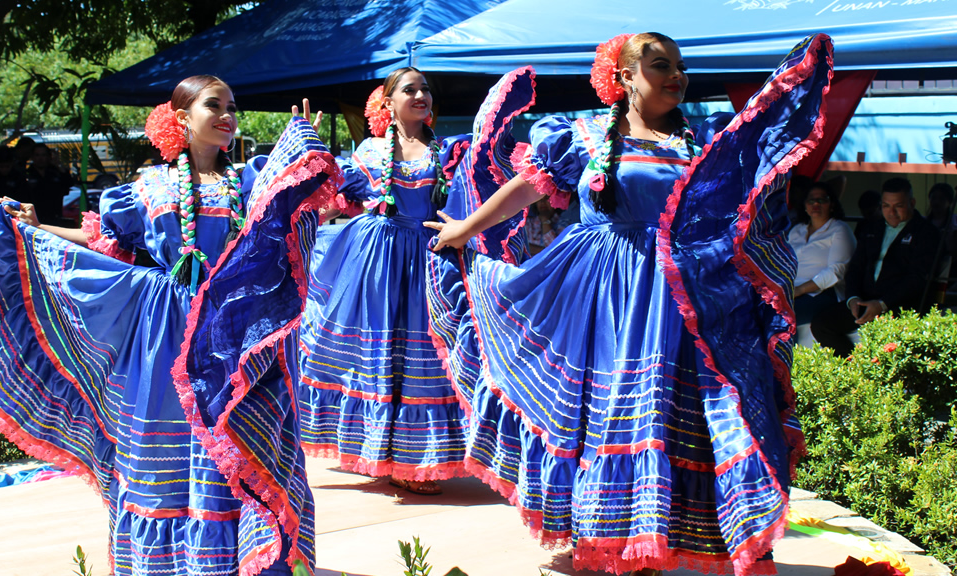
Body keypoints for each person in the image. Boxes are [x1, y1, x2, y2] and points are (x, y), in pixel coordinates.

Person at [425, 32, 833, 575]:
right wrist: (466, 229)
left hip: (675, 296)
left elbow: (749, 190)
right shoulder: (585, 136)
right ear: (624, 78)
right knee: (596, 415)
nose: (675, 75)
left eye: (680, 67)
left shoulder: (701, 140)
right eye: (660, 65)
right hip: (595, 294)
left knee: (662, 418)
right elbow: (526, 188)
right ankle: (595, 536)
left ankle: (651, 541)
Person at [0, 75, 338, 575]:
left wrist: (299, 145)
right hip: (166, 335)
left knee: (233, 440)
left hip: (230, 332)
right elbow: (102, 239)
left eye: (232, 106)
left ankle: (240, 558)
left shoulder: (249, 181)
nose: (227, 115)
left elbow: (290, 208)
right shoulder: (148, 186)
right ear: (181, 117)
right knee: (171, 443)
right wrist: (35, 226)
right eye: (213, 105)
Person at [297, 67, 472, 495]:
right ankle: (379, 453)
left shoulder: (448, 151)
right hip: (377, 263)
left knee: (424, 354)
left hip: (429, 258)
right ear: (388, 104)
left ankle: (413, 457)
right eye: (409, 89)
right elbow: (331, 196)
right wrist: (306, 147)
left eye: (426, 89)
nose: (420, 95)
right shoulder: (369, 152)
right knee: (378, 356)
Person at [811, 178, 941, 357]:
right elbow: (855, 267)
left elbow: (917, 278)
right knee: (821, 324)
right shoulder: (872, 227)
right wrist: (853, 298)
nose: (891, 212)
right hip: (864, 301)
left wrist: (882, 304)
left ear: (912, 203)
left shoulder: (927, 232)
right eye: (886, 205)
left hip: (900, 305)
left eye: (898, 206)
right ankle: (854, 370)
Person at [788, 181, 855, 345]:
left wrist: (800, 290)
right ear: (804, 205)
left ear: (831, 204)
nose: (816, 204)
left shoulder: (839, 229)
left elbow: (836, 271)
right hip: (790, 293)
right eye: (811, 200)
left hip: (823, 293)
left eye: (822, 200)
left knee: (784, 316)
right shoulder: (797, 230)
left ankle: (787, 365)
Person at [23, 142, 75, 224]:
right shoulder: (26, 174)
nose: (40, 158)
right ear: (32, 157)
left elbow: (70, 183)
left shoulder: (56, 172)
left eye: (43, 155)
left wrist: (59, 165)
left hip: (54, 218)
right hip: (33, 219)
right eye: (37, 155)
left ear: (48, 157)